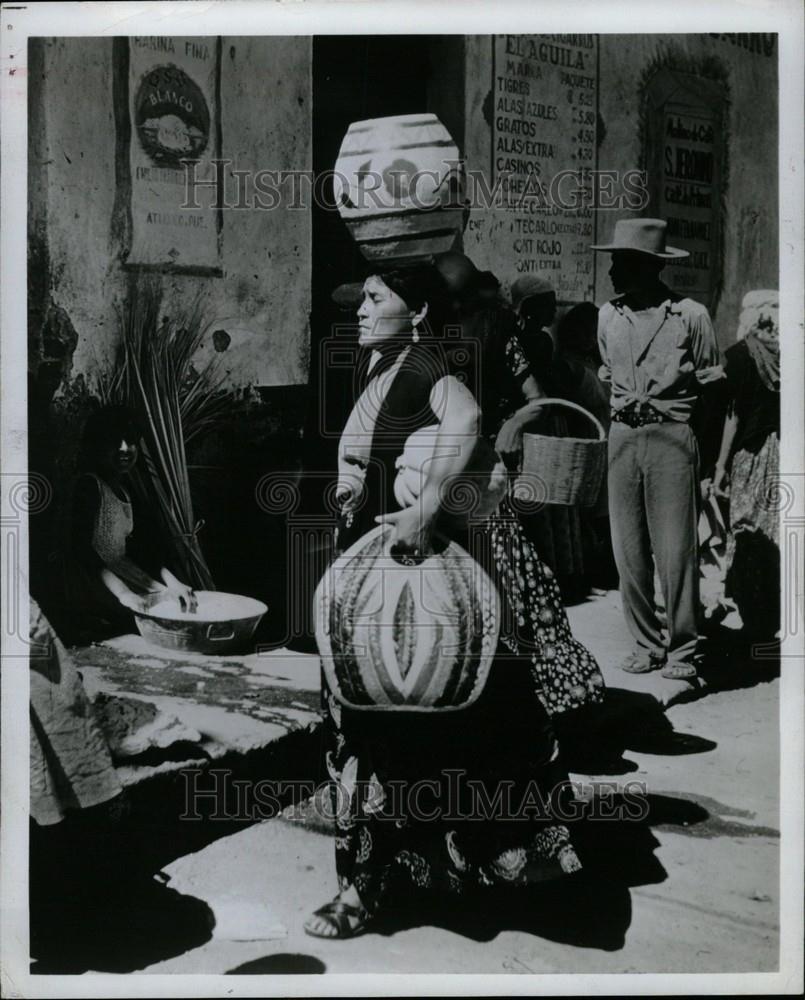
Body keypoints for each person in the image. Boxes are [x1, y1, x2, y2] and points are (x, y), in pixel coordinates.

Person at [304, 263, 603, 940]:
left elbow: (466, 418)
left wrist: (428, 508)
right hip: (379, 567)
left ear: (416, 313)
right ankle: (401, 875)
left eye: (376, 297)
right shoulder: (385, 371)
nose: (360, 308)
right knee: (384, 722)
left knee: (394, 719)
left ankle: (370, 886)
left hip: (412, 572)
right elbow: (370, 455)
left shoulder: (424, 364)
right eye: (361, 296)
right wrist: (353, 487)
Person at [592, 218, 723, 680]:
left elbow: (713, 390)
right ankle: (646, 643)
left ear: (648, 267)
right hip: (623, 437)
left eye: (621, 263)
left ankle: (684, 649)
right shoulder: (608, 316)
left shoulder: (690, 315)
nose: (611, 273)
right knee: (627, 549)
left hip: (672, 436)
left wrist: (698, 453)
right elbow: (608, 374)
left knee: (676, 550)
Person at [67, 405, 197, 640]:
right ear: (96, 446)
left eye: (130, 441)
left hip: (123, 573)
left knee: (179, 601)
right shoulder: (89, 486)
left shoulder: (125, 490)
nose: (125, 449)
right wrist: (124, 594)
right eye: (114, 442)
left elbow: (140, 552)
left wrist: (173, 582)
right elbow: (82, 553)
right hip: (93, 583)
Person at [508, 275, 587, 602]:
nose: (554, 312)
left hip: (540, 424)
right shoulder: (535, 341)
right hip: (541, 425)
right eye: (549, 305)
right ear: (530, 308)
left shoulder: (530, 340)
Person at [711, 290, 780, 641]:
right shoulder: (791, 355)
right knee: (778, 533)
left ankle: (754, 619)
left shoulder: (740, 356)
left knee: (747, 531)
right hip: (785, 454)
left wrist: (720, 465)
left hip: (751, 456)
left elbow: (732, 416)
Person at [553, 302, 617, 591]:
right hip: (586, 447)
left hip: (604, 444)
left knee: (605, 512)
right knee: (592, 514)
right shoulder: (569, 366)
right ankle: (594, 571)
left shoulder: (594, 365)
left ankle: (604, 568)